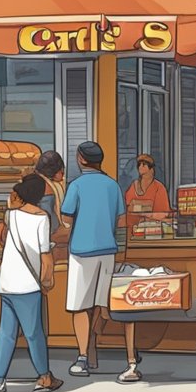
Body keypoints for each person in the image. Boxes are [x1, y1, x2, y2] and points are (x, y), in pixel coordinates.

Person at [0, 176, 62, 392]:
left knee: (6, 332)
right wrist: (47, 280)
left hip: (6, 282)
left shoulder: (10, 215)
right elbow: (45, 255)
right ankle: (44, 377)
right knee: (33, 333)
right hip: (27, 284)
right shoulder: (42, 218)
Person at [59, 141, 125, 377]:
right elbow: (121, 222)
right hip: (107, 251)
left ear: (80, 159)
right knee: (100, 305)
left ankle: (83, 356)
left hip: (81, 252)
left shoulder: (76, 186)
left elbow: (66, 218)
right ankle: (92, 348)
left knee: (79, 307)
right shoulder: (112, 185)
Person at [32, 150, 68, 235]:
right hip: (48, 231)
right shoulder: (47, 186)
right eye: (61, 171)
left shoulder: (35, 181)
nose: (63, 175)